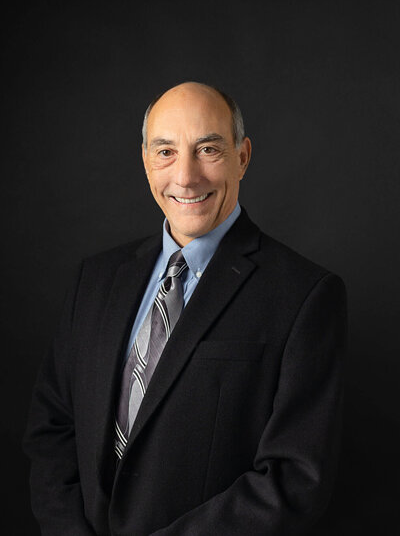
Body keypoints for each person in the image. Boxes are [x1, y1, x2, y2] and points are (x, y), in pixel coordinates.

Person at [24, 82, 347, 535]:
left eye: (208, 149)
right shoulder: (95, 280)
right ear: (145, 160)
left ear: (243, 156)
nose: (185, 176)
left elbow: (295, 479)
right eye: (165, 152)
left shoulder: (304, 295)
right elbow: (52, 428)